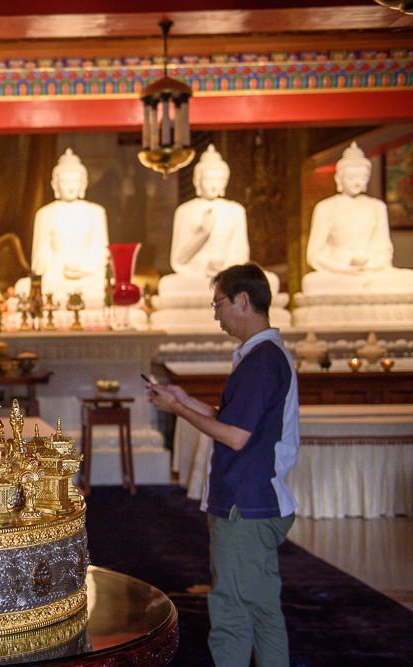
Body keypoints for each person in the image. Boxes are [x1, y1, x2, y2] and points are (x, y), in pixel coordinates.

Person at [146, 263, 299, 667]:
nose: (216, 315)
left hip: (245, 504)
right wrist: (187, 400)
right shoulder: (264, 355)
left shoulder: (261, 360)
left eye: (218, 303)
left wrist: (178, 409)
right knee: (263, 609)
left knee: (231, 612)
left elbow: (235, 436)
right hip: (258, 499)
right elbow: (235, 421)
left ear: (243, 300)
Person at [159, 144, 280, 296]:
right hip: (197, 277)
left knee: (271, 281)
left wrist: (226, 266)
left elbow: (241, 253)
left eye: (219, 179)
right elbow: (178, 260)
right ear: (197, 181)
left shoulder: (235, 210)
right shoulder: (185, 211)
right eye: (209, 179)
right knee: (168, 285)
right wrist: (202, 234)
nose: (214, 185)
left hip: (229, 275)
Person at [302, 141, 413, 294]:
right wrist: (344, 267)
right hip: (338, 271)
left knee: (409, 279)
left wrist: (369, 264)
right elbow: (314, 254)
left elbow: (384, 248)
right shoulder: (326, 207)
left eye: (362, 177)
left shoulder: (376, 207)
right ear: (339, 179)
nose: (357, 181)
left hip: (371, 270)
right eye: (351, 177)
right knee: (311, 283)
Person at [14, 148, 108, 307]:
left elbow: (102, 253)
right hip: (56, 279)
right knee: (22, 287)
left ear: (83, 183)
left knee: (104, 286)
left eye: (75, 181)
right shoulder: (45, 214)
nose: (71, 187)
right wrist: (61, 266)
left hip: (87, 279)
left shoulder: (96, 212)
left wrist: (83, 267)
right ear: (55, 184)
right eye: (65, 181)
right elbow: (39, 260)